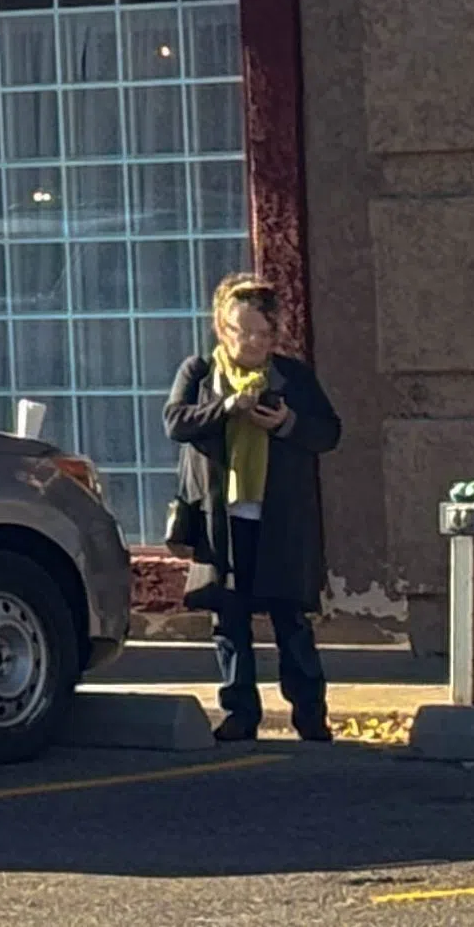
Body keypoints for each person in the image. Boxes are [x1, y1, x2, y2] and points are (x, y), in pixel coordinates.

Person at [163, 274, 342, 743]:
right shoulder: (200, 374)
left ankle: (310, 715)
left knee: (291, 621)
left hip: (279, 519)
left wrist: (286, 422)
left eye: (265, 333)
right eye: (245, 332)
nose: (256, 342)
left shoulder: (294, 377)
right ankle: (240, 713)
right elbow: (176, 422)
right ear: (224, 328)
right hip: (222, 520)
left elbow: (328, 433)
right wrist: (226, 408)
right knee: (230, 621)